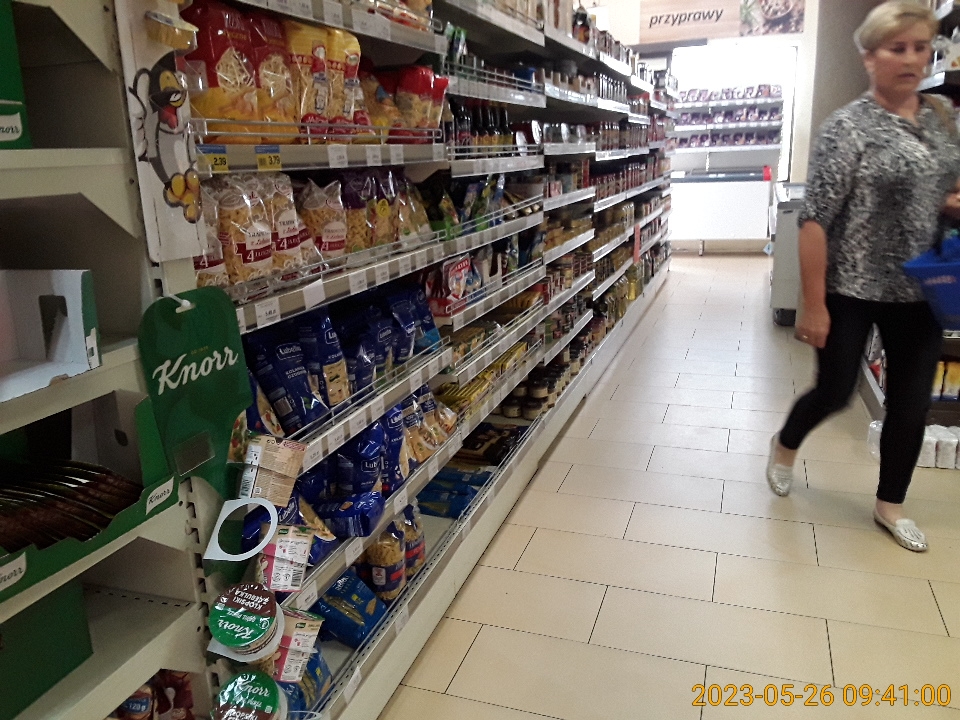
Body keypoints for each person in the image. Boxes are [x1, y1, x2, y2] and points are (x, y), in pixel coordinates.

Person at [766, 1, 960, 552]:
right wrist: (813, 304)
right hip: (851, 287)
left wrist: (951, 202)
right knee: (834, 391)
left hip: (920, 287)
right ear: (870, 57)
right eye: (898, 48)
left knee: (911, 405)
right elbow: (815, 221)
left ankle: (889, 505)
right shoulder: (847, 127)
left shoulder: (942, 118)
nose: (913, 59)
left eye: (921, 47)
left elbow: (945, 188)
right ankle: (785, 444)